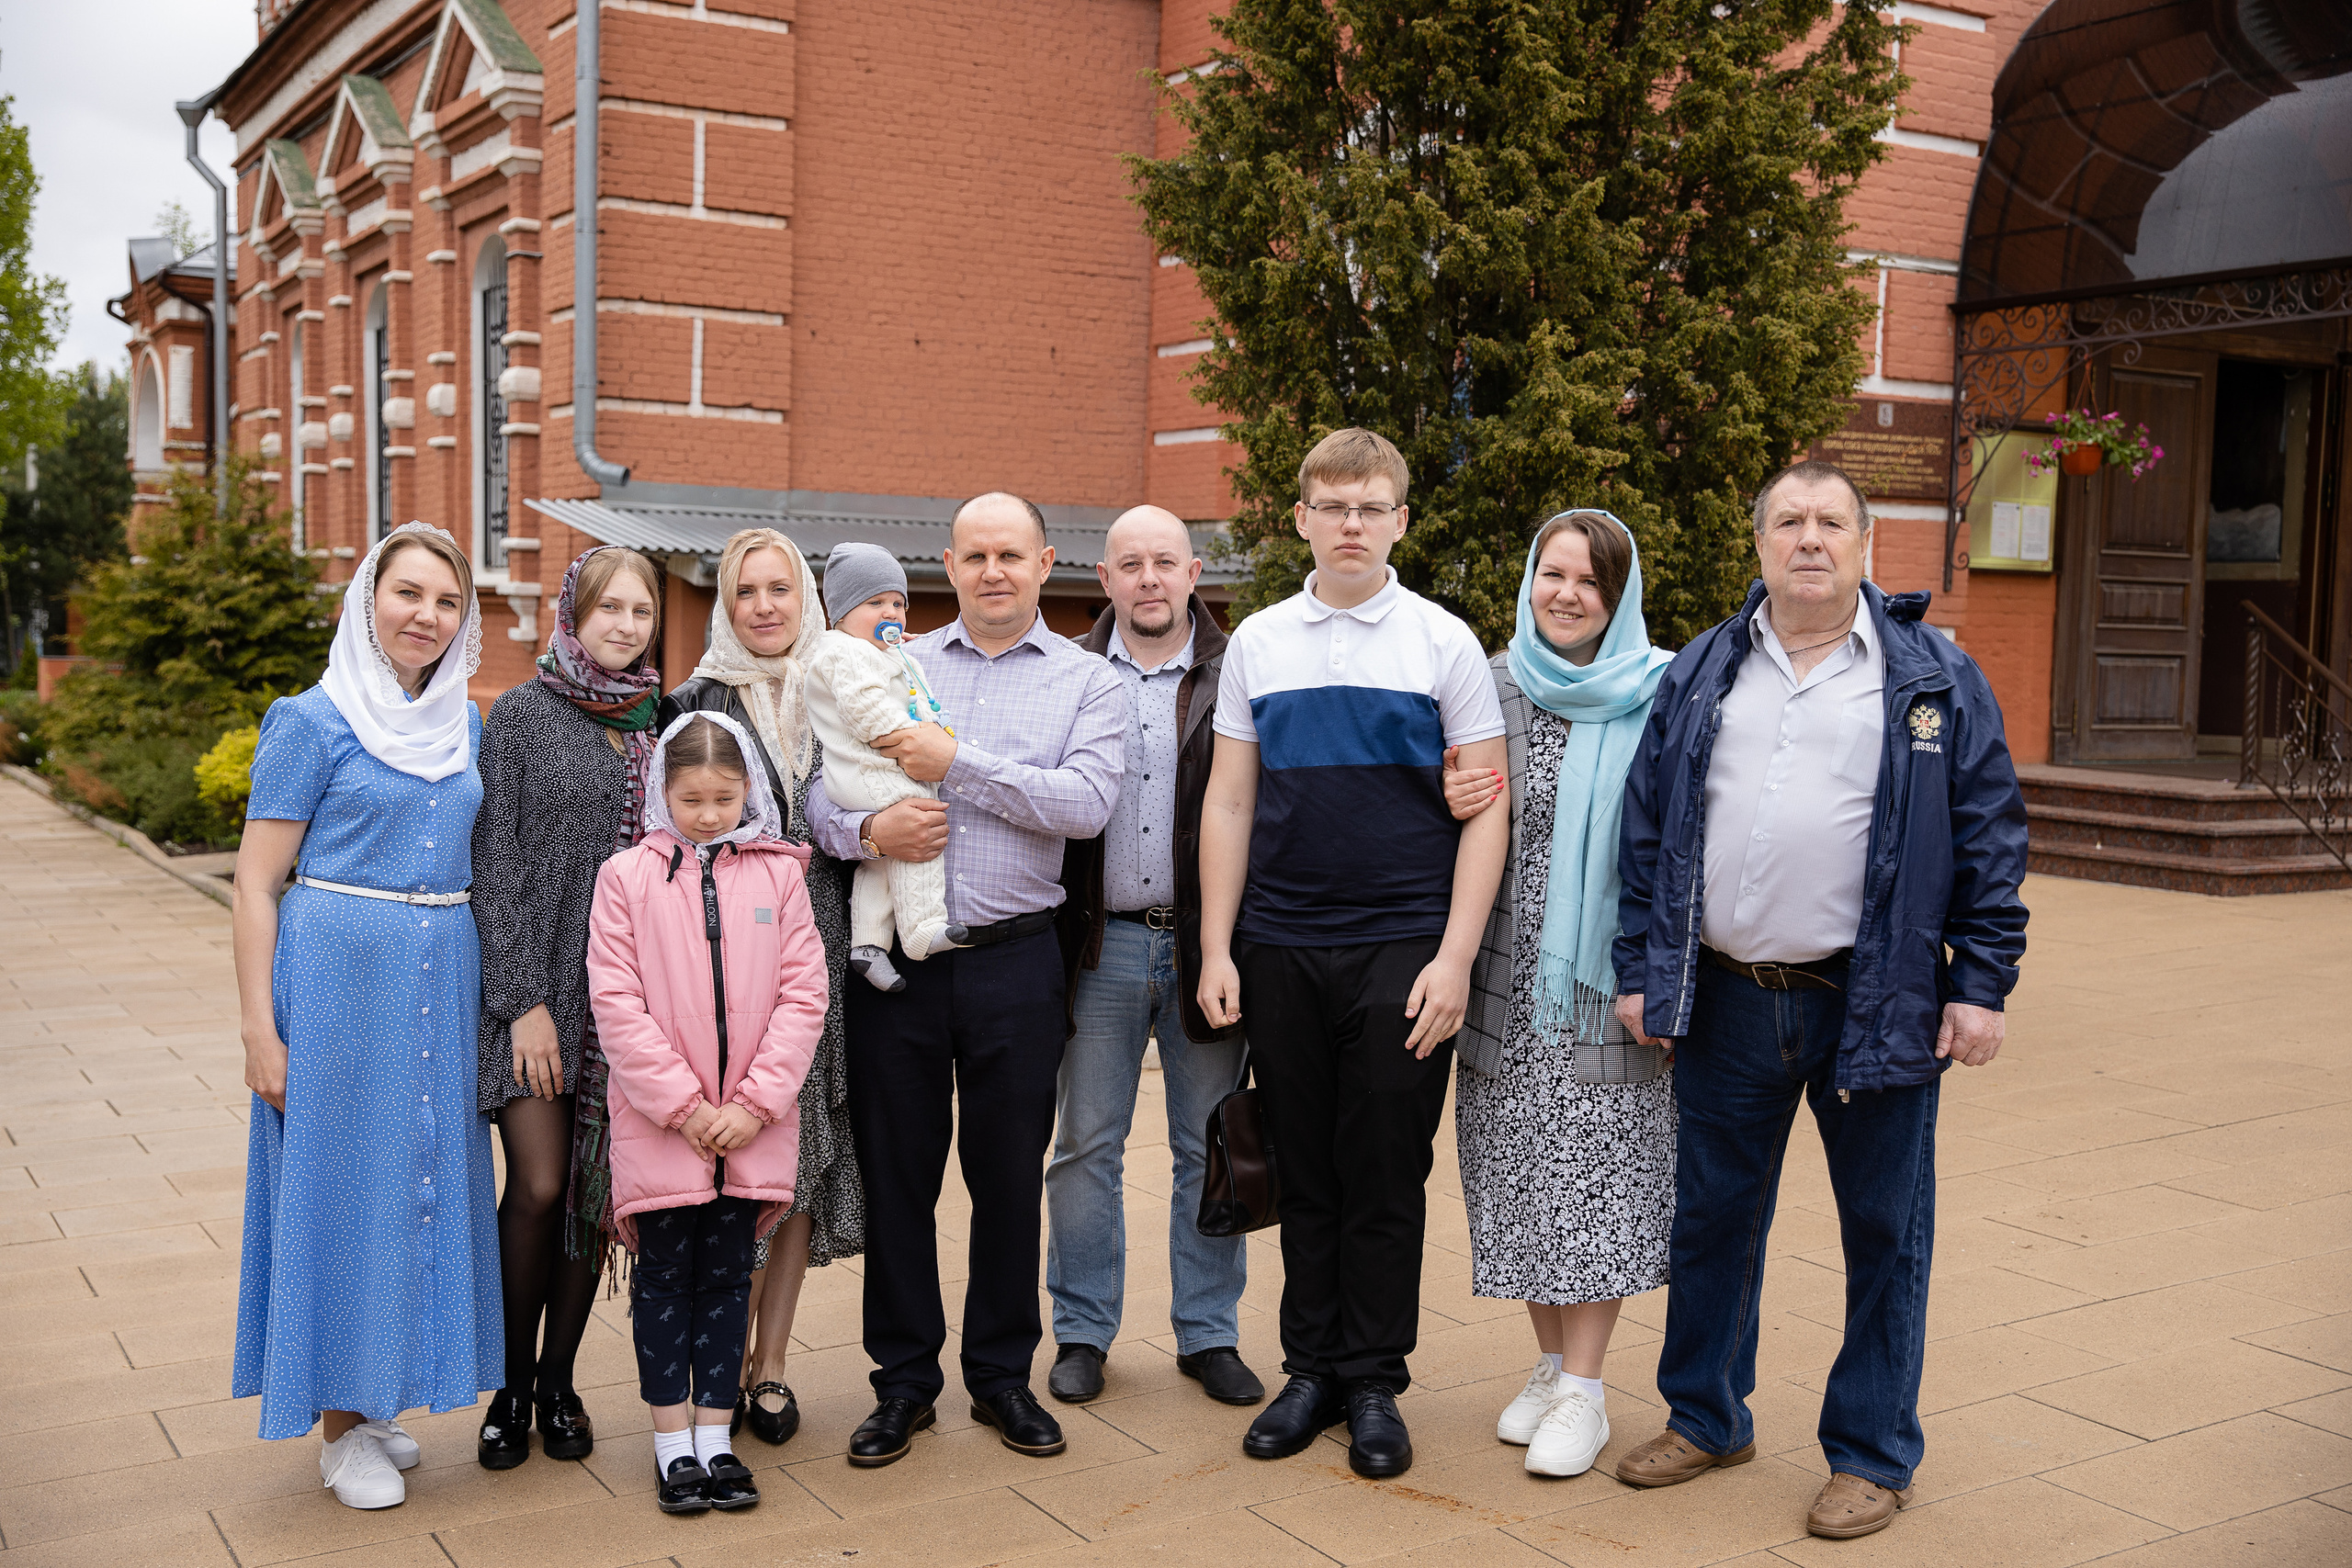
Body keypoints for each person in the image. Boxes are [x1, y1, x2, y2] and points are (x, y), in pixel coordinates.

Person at [1611, 459, 2029, 1540]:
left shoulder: (1931, 676)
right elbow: (1647, 829)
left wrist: (1978, 986)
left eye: (1829, 522)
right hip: (1728, 999)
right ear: (1758, 544)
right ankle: (1705, 1416)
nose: (1808, 539)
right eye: (1787, 521)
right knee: (1710, 1222)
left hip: (1874, 999)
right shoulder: (1705, 668)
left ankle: (1872, 1454)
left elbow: (1988, 834)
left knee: (1886, 1232)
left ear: (1862, 542)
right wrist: (1636, 969)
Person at [1197, 428, 1510, 1480]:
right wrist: (1216, 946)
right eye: (1333, 507)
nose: (1351, 525)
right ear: (1301, 518)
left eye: (1371, 508)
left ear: (1400, 521)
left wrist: (1456, 957)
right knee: (1306, 1169)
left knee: (1384, 1170)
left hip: (1402, 948)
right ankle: (1309, 1370)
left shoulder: (1443, 643)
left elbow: (1486, 813)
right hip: (1280, 942)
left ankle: (1373, 1378)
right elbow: (1230, 798)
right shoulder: (1261, 642)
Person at [808, 491, 1125, 1468]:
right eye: (976, 555)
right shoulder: (889, 660)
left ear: (1043, 565)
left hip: (1015, 964)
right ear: (949, 564)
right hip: (898, 972)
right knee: (898, 1180)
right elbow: (819, 782)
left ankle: (999, 1378)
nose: (994, 571)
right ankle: (902, 1383)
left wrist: (959, 765)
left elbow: (1085, 804)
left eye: (1012, 555)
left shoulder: (1087, 682)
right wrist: (863, 830)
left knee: (1004, 1182)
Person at [231, 523, 500, 1510]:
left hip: (442, 975)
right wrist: (261, 1029)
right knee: (344, 1190)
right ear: (367, 597)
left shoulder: (463, 726)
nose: (425, 616)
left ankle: (379, 1393)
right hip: (341, 983)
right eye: (408, 594)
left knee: (421, 1179)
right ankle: (339, 1428)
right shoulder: (310, 721)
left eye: (445, 602)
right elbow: (257, 884)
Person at [1438, 510, 1677, 1480]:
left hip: (1599, 981)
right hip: (1499, 975)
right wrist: (1440, 793)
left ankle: (1586, 1386)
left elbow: (1680, 845)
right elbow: (1454, 808)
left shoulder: (1658, 693)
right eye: (1552, 574)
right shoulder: (1490, 685)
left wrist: (1656, 974)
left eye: (1591, 582)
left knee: (1598, 1180)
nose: (1566, 595)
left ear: (1617, 600)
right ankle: (1547, 1363)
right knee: (1518, 1175)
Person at [586, 711, 829, 1516]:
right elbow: (616, 1005)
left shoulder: (780, 875)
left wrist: (756, 1103)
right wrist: (685, 1107)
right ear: (663, 792)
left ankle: (716, 1438)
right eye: (691, 798)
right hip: (664, 1130)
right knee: (663, 1281)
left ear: (749, 790)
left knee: (728, 1280)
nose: (709, 814)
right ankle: (669, 1443)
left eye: (725, 797)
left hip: (751, 1131)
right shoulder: (624, 877)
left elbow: (804, 995)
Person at [1046, 505, 1261, 1408]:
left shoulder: (1235, 670)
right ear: (1104, 579)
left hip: (1204, 946)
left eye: (1163, 563)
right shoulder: (1067, 675)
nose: (1146, 579)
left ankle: (1207, 1332)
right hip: (1098, 947)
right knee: (1085, 1145)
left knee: (1206, 1144)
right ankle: (1084, 1331)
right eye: (1128, 564)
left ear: (1192, 571)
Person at [662, 528, 862, 1448]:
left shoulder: (842, 688)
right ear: (725, 603)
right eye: (747, 590)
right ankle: (714, 1359)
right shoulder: (693, 702)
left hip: (824, 955)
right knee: (726, 1167)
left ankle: (770, 1365)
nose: (767, 605)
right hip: (722, 967)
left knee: (798, 1164)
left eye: (783, 586)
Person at [469, 545, 663, 1470]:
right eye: (609, 608)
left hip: (628, 1003)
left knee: (592, 1201)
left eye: (640, 611)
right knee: (542, 1186)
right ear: (571, 613)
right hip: (538, 993)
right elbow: (493, 861)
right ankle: (508, 1387)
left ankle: (559, 1382)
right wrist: (521, 1005)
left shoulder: (659, 726)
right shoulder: (519, 714)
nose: (625, 626)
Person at [803, 541, 967, 990]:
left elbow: (919, 700)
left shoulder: (882, 654)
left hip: (871, 772)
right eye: (874, 603)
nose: (890, 612)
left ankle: (868, 946)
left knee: (881, 861)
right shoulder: (843, 653)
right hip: (870, 770)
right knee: (919, 828)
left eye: (898, 603)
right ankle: (921, 929)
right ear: (840, 613)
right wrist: (921, 743)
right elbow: (867, 711)